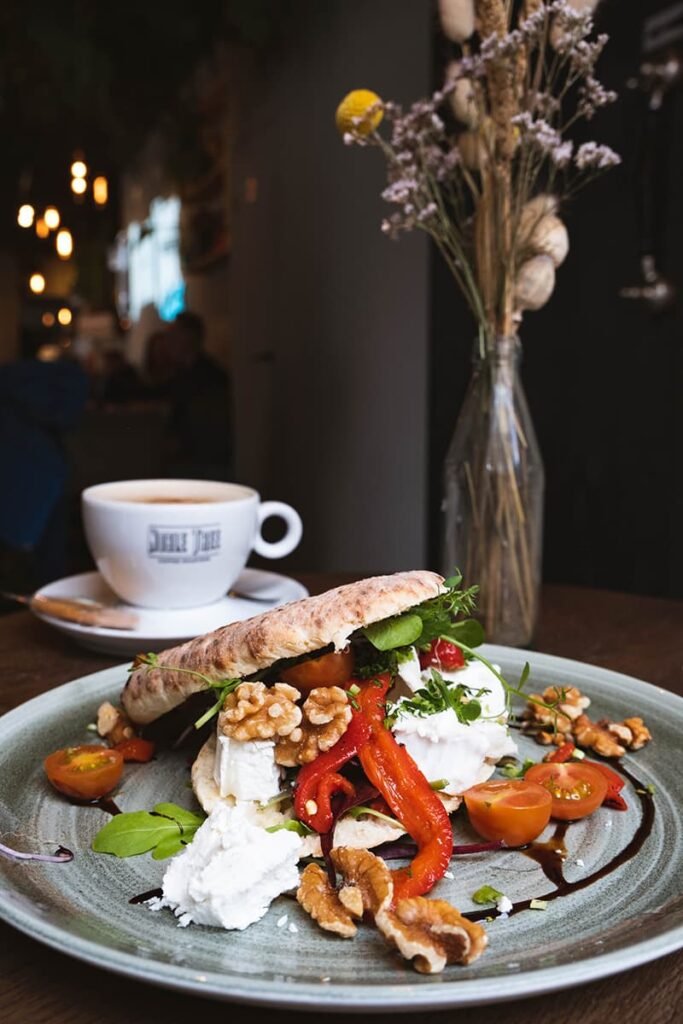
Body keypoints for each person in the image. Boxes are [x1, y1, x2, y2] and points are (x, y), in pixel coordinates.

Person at [0, 355, 88, 595]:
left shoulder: (16, 383)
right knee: (47, 570)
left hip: (36, 475)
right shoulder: (61, 383)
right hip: (45, 473)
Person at [143, 312, 233, 479]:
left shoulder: (208, 378)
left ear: (188, 338)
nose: (167, 342)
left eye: (173, 335)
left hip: (203, 468)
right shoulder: (181, 376)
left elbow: (207, 431)